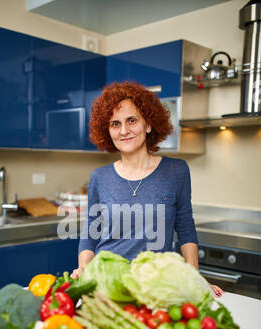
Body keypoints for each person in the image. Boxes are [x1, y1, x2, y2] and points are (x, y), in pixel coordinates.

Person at [71, 81, 224, 298]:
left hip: (156, 286)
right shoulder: (100, 177)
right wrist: (84, 268)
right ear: (107, 130)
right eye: (115, 124)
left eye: (131, 120)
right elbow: (90, 233)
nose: (124, 131)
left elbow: (185, 226)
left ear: (148, 124)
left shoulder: (176, 171)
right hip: (107, 285)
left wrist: (194, 276)